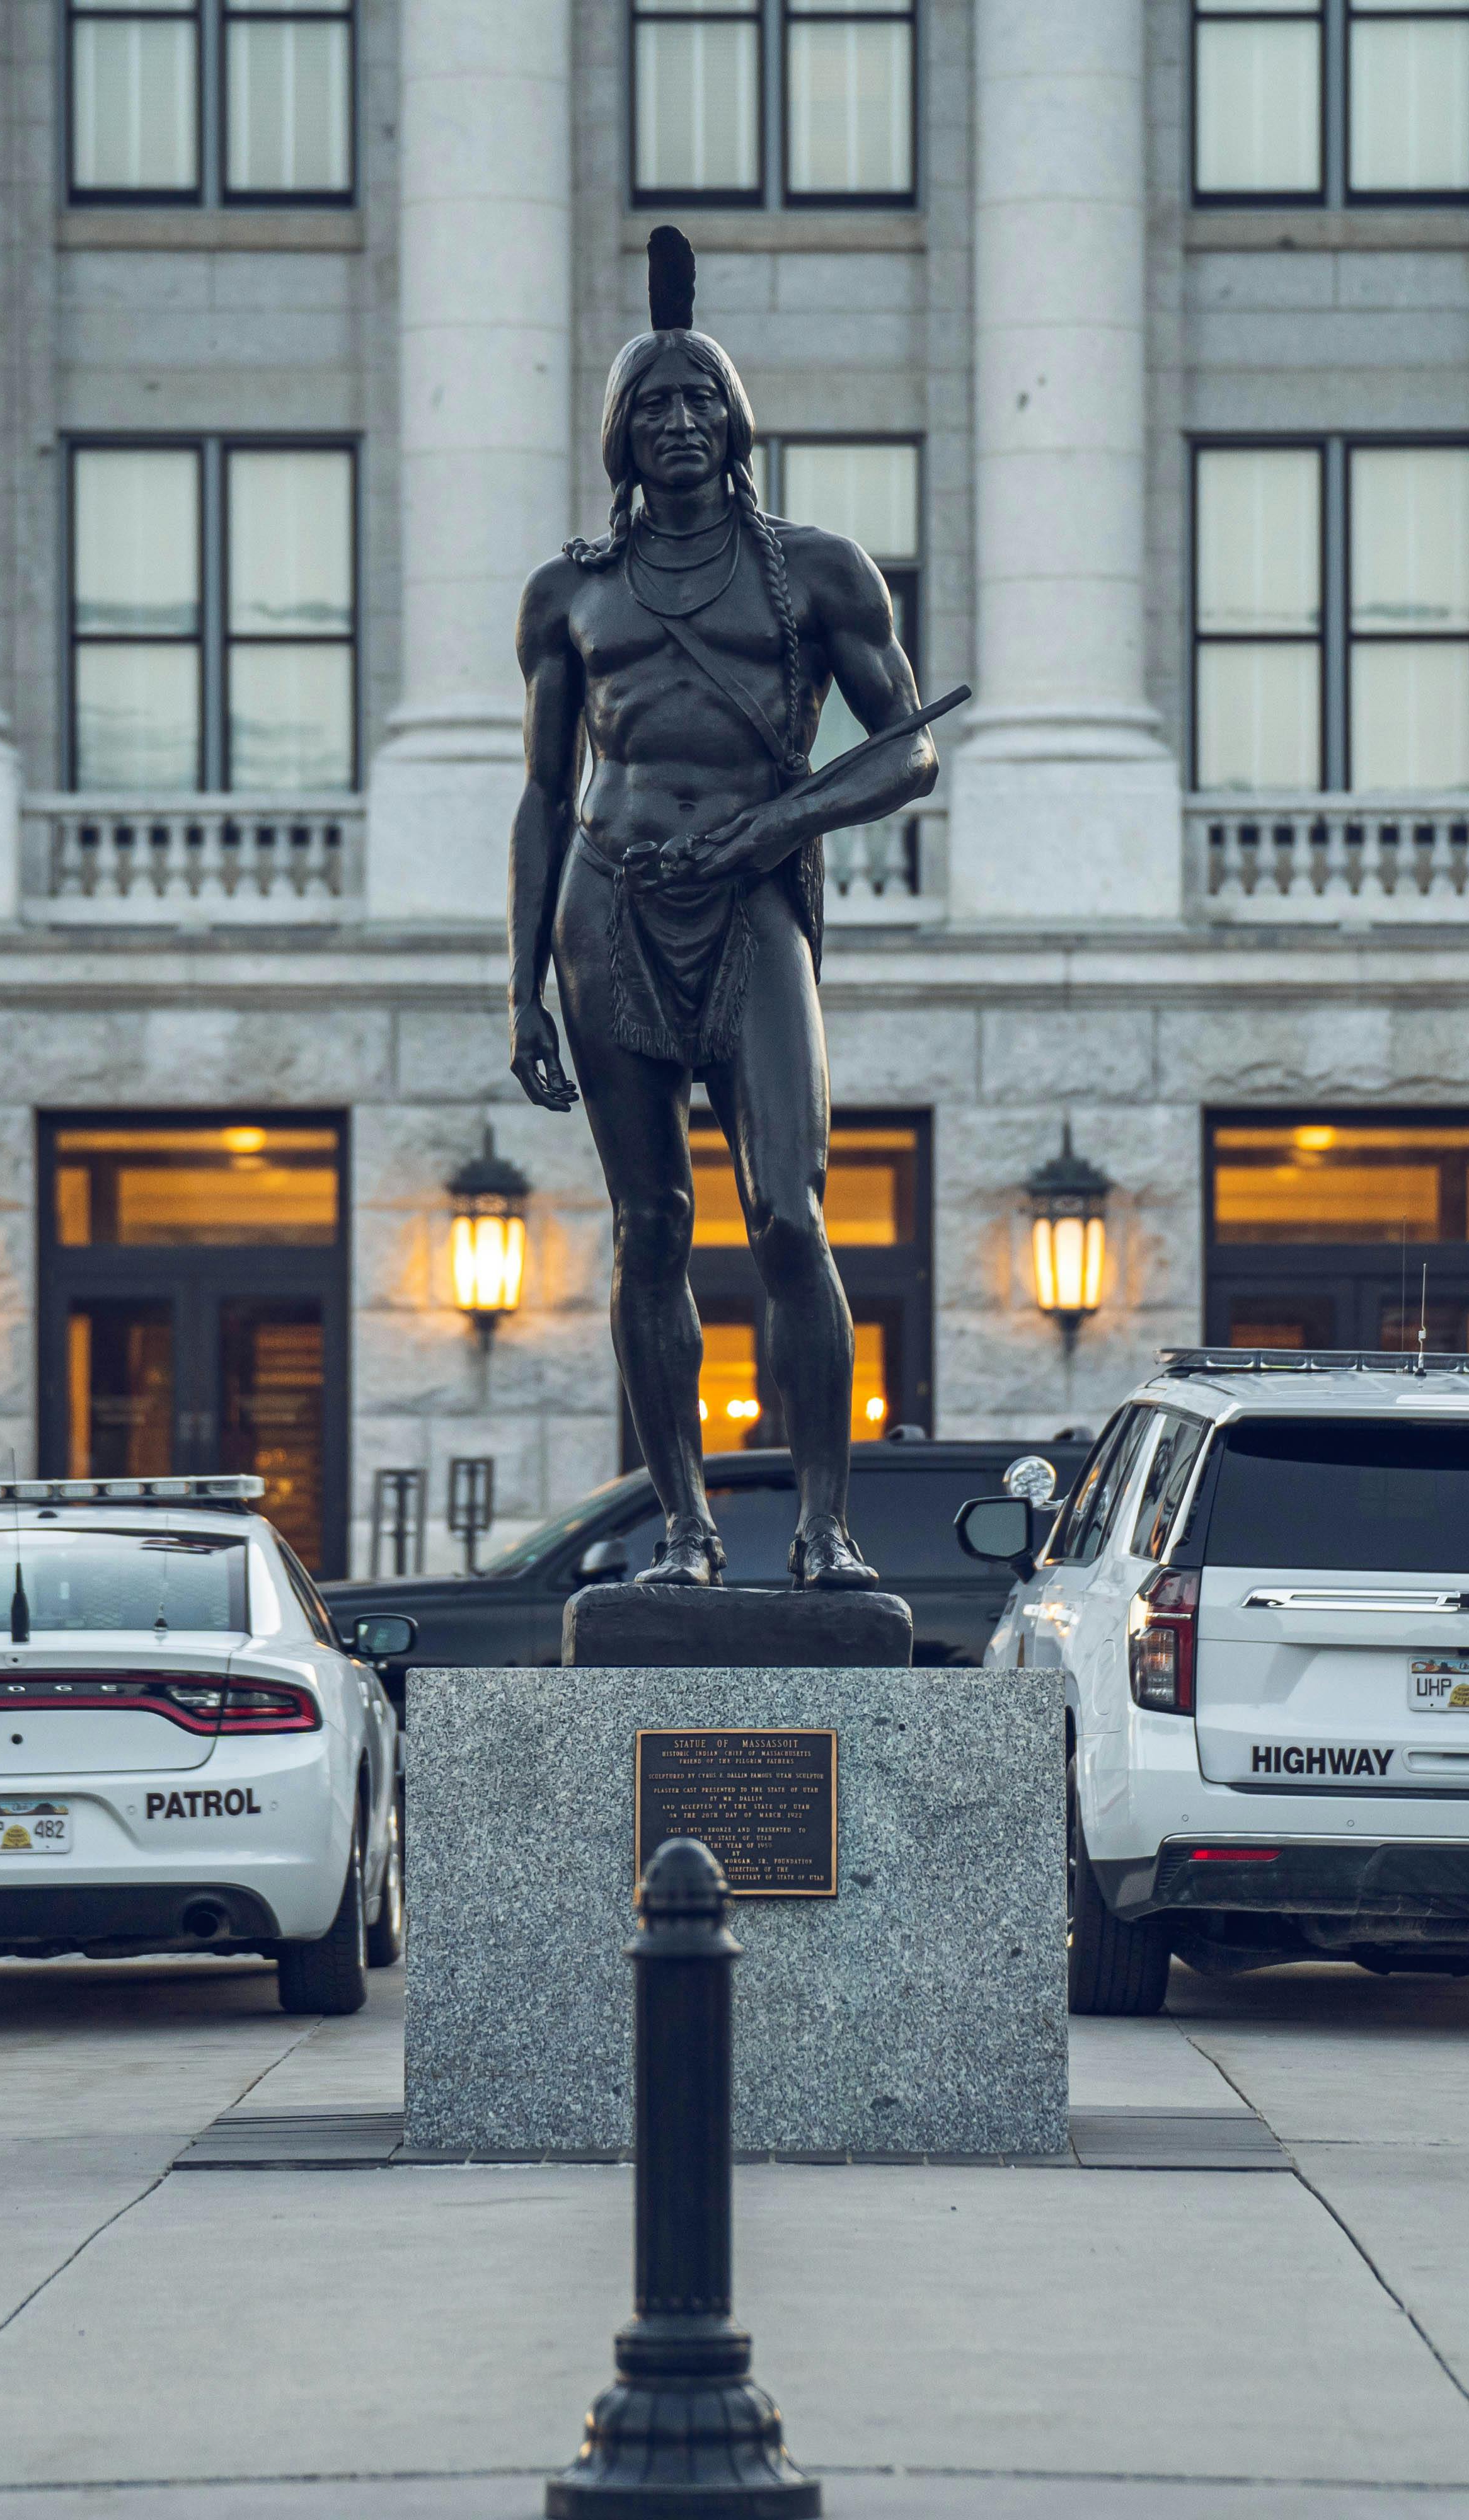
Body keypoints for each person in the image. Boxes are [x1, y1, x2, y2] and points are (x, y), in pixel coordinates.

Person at [505, 227, 940, 1589]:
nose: (680, 421)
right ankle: (687, 1528)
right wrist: (517, 987)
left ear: (737, 421)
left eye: (701, 400)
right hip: (608, 906)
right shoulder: (570, 592)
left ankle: (824, 1526)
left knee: (791, 1216)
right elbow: (540, 793)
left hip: (751, 907)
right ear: (618, 436)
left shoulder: (819, 571)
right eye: (653, 404)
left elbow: (909, 746)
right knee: (649, 1228)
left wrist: (780, 820)